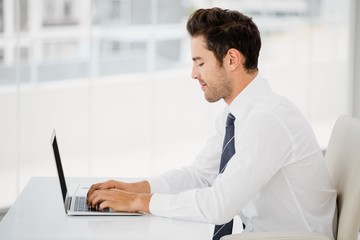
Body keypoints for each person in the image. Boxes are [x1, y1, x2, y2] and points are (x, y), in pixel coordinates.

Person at [87, 7, 337, 240]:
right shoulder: (238, 115)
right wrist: (136, 189)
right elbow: (201, 176)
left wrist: (137, 203)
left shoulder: (267, 121)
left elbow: (219, 206)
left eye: (200, 62)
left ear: (231, 60)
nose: (194, 73)